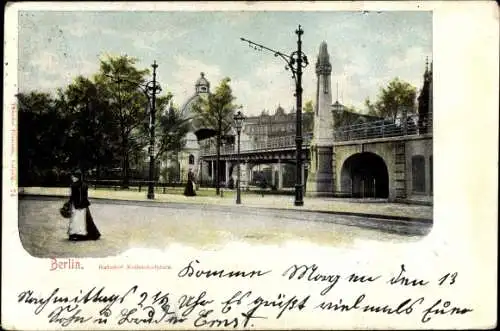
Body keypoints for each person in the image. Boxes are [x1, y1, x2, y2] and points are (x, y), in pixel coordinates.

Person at [67, 170, 101, 241]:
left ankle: (76, 234)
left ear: (77, 177)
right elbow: (85, 196)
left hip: (76, 205)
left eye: (73, 176)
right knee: (85, 220)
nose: (72, 178)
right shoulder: (84, 185)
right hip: (84, 205)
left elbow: (72, 197)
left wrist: (69, 204)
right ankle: (87, 234)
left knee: (76, 220)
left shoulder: (73, 185)